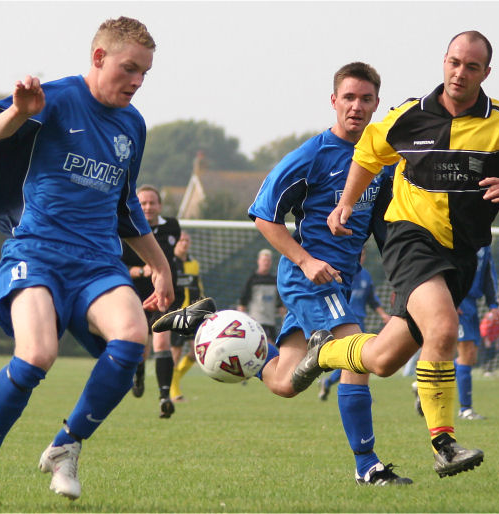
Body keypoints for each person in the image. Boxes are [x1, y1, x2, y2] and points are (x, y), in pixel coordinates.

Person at [292, 30, 499, 479]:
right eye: (454, 62)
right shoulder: (408, 116)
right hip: (409, 238)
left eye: (471, 66)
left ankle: (326, 353)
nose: (460, 73)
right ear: (444, 62)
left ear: (486, 73)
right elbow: (368, 154)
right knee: (444, 327)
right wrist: (344, 203)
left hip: (462, 255)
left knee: (382, 359)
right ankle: (444, 443)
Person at [0, 17, 171, 510]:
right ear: (98, 58)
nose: (136, 82)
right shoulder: (56, 98)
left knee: (133, 337)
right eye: (129, 69)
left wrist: (159, 265)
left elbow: (126, 205)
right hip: (37, 252)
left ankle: (66, 445)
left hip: (97, 262)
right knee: (37, 356)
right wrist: (18, 112)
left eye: (145, 74)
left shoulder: (133, 125)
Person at [156, 62, 410, 486]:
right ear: (334, 101)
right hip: (308, 276)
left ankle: (209, 320)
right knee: (357, 354)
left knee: (284, 382)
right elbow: (264, 215)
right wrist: (307, 260)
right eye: (349, 97)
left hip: (338, 280)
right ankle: (368, 466)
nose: (357, 106)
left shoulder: (379, 159)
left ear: (377, 104)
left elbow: (382, 222)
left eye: (366, 99)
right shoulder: (311, 155)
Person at [121, 184, 180, 418]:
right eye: (143, 203)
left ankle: (165, 396)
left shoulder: (172, 226)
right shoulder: (126, 230)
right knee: (141, 349)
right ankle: (138, 374)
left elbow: (170, 261)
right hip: (134, 296)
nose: (147, 207)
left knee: (162, 344)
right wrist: (142, 271)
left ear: (160, 206)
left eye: (152, 203)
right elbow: (118, 267)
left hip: (164, 295)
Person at [319, 246, 391, 401]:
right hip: (343, 322)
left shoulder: (365, 276)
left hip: (360, 321)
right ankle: (340, 386)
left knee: (356, 359)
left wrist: (383, 314)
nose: (361, 257)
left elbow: (372, 300)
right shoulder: (340, 273)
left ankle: (336, 385)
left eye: (363, 254)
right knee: (353, 359)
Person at [453, 246, 499, 420]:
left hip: (471, 303)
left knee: (470, 357)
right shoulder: (457, 232)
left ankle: (426, 384)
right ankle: (465, 409)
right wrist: (451, 298)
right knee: (466, 354)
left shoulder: (484, 243)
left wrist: (493, 304)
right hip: (457, 301)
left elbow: (489, 274)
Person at [168, 230, 205, 402]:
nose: (184, 243)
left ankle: (172, 382)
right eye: (181, 240)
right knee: (174, 354)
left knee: (194, 352)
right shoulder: (170, 263)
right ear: (176, 242)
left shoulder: (193, 263)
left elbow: (198, 287)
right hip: (176, 315)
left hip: (193, 315)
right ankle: (174, 391)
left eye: (187, 240)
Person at [237, 249, 283, 342]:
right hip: (255, 321)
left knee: (271, 347)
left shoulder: (274, 280)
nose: (266, 263)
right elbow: (243, 302)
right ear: (259, 261)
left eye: (268, 260)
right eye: (264, 260)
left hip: (270, 321)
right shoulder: (252, 280)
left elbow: (280, 304)